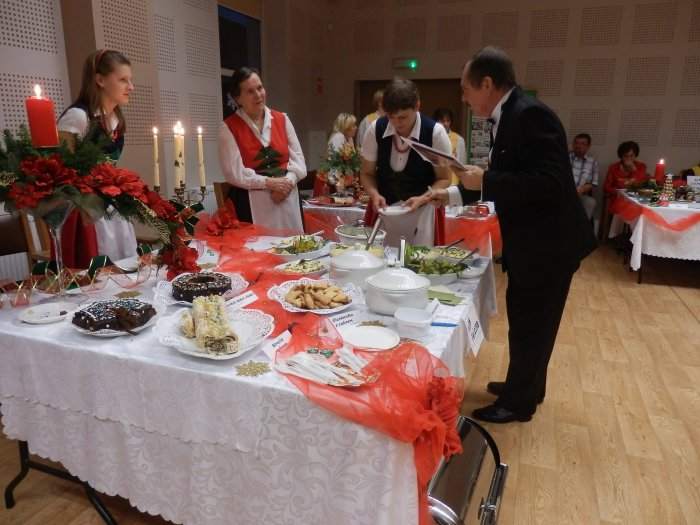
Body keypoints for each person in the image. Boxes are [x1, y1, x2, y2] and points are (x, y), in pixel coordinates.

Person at [430, 46, 596, 423]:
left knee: (534, 323)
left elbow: (550, 182)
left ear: (487, 84)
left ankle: (518, 404)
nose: (463, 98)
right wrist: (454, 191)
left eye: (465, 89)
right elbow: (509, 176)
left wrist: (487, 179)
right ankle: (526, 386)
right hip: (533, 242)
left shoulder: (530, 115)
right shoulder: (510, 115)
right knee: (526, 321)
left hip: (548, 244)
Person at [57, 49, 137, 267]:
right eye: (123, 80)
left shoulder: (116, 120)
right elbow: (60, 171)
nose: (131, 87)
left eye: (130, 80)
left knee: (124, 270)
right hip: (84, 216)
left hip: (112, 211)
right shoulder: (78, 117)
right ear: (100, 80)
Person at [359, 78, 451, 246]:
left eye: (402, 117)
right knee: (379, 258)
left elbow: (445, 178)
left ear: (417, 106)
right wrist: (374, 194)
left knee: (419, 260)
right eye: (391, 117)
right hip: (386, 212)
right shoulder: (375, 129)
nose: (396, 123)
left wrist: (422, 199)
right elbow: (366, 173)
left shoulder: (435, 133)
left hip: (424, 213)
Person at [219, 67, 307, 232]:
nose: (258, 95)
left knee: (295, 245)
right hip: (252, 205)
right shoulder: (228, 127)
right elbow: (234, 173)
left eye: (260, 88)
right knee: (262, 246)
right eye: (250, 91)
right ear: (237, 98)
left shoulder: (283, 119)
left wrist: (287, 184)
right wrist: (269, 183)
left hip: (289, 201)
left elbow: (299, 161)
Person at [603, 141, 647, 207]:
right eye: (626, 156)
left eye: (631, 156)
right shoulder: (613, 168)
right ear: (621, 156)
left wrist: (634, 170)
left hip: (635, 199)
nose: (629, 159)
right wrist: (617, 192)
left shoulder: (641, 166)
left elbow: (641, 184)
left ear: (635, 155)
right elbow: (606, 187)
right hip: (618, 199)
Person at [569, 133, 599, 220]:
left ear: (588, 146)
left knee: (591, 202)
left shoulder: (593, 162)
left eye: (582, 144)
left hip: (579, 194)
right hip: (563, 192)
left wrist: (581, 190)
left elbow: (593, 183)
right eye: (576, 143)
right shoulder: (565, 157)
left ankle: (581, 227)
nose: (578, 146)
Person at [433, 108, 467, 185]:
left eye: (448, 121)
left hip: (453, 183)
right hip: (435, 182)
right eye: (442, 121)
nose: (445, 124)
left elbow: (462, 163)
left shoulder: (459, 139)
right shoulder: (432, 137)